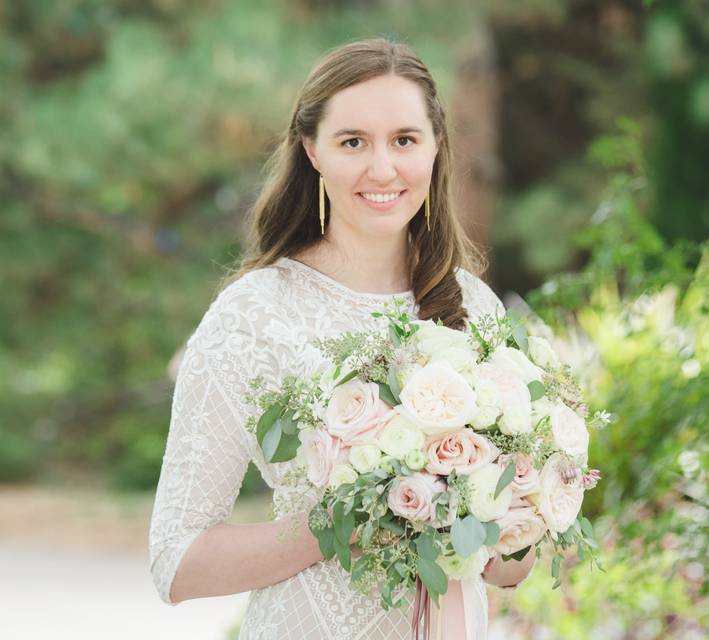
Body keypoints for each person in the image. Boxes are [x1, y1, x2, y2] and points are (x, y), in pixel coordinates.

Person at [148, 37, 536, 639]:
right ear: (313, 152)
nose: (382, 169)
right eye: (353, 142)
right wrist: (344, 523)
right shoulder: (254, 316)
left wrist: (524, 510)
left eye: (404, 140)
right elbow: (175, 560)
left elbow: (507, 573)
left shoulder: (473, 306)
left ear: (436, 148)